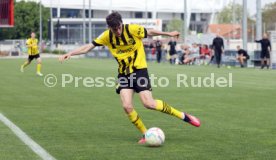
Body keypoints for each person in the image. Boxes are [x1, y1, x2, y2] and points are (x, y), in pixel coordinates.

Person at [59, 12, 200, 144]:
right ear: (110, 28)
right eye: (114, 29)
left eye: (119, 28)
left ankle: (184, 116)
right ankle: (146, 134)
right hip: (123, 75)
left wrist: (168, 33)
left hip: (139, 71)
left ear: (121, 24)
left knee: (149, 104)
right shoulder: (106, 36)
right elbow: (87, 47)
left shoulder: (131, 29)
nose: (118, 31)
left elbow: (149, 32)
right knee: (126, 106)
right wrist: (70, 53)